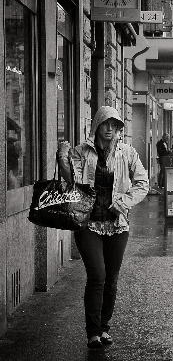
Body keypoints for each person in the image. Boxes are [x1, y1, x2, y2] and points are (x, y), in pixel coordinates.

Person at [57, 106, 149, 349]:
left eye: (115, 125)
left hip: (117, 225)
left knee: (111, 280)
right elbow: (71, 182)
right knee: (97, 275)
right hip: (88, 224)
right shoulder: (81, 151)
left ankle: (104, 327)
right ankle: (93, 332)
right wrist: (62, 159)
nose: (111, 129)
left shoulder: (127, 153)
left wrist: (124, 203)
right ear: (97, 125)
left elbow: (142, 183)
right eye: (107, 124)